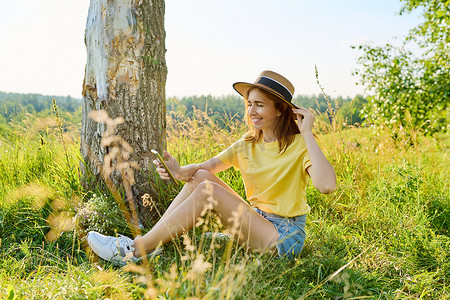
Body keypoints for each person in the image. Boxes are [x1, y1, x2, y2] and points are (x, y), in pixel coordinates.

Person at [87, 70, 337, 266]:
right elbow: (202, 170)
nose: (251, 111)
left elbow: (326, 186)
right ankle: (153, 242)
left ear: (280, 109)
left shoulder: (300, 145)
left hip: (285, 236)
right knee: (202, 178)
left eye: (259, 105)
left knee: (209, 190)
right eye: (249, 104)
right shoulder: (247, 144)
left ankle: (134, 250)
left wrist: (307, 134)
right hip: (258, 221)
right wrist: (179, 171)